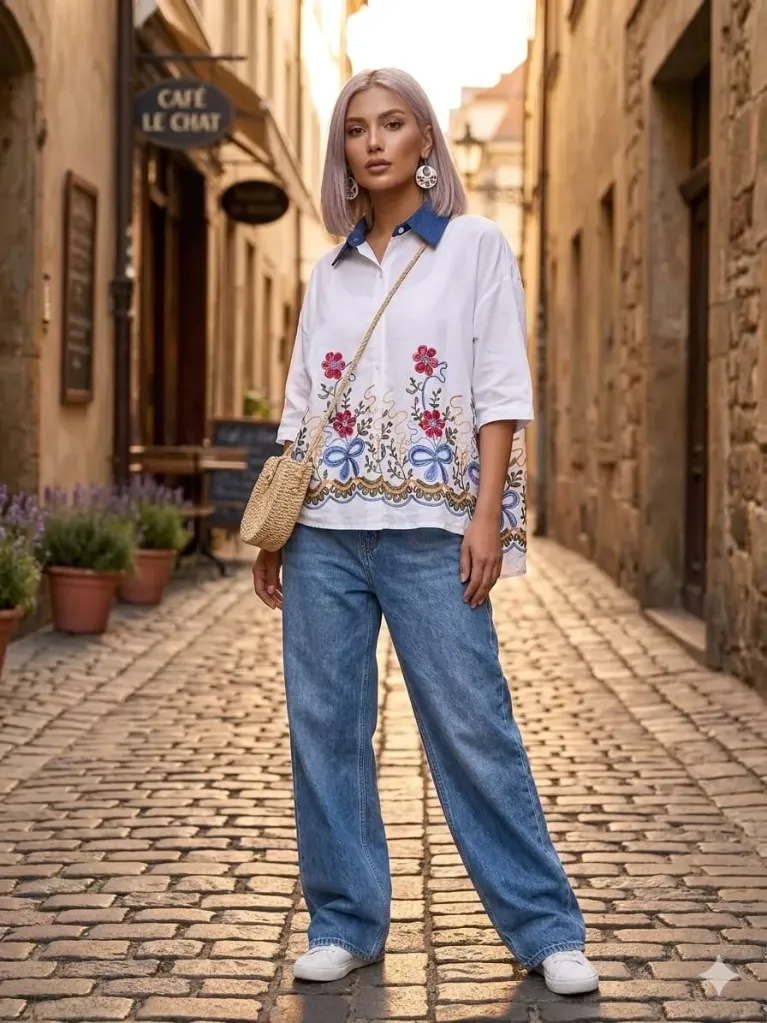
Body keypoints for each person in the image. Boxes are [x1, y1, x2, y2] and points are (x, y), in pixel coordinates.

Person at [252, 67, 598, 997]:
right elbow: (302, 402)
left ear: (423, 143)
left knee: (475, 727)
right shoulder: (327, 272)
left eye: (393, 123)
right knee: (325, 728)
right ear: (345, 152)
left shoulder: (475, 246)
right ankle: (345, 919)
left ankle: (543, 926)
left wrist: (486, 512)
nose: (373, 141)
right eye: (357, 128)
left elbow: (501, 393)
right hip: (323, 529)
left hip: (430, 532)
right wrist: (274, 530)